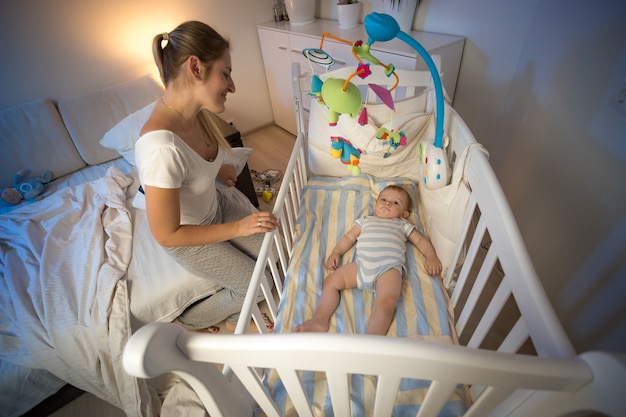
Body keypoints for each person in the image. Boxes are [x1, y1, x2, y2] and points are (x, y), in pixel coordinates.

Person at [135, 21, 279, 333]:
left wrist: (216, 170)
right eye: (225, 73)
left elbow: (195, 163)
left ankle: (233, 304)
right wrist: (237, 228)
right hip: (187, 237)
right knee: (258, 282)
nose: (232, 86)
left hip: (214, 208)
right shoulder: (160, 148)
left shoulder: (196, 115)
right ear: (195, 68)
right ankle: (191, 320)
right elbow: (167, 234)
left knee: (275, 251)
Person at [294, 185, 442, 335]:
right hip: (361, 266)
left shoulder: (403, 224)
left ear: (404, 214)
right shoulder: (365, 220)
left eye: (395, 202)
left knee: (387, 303)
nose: (387, 203)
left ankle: (372, 339)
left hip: (388, 268)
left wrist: (431, 256)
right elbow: (349, 238)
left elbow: (420, 241)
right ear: (376, 204)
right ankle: (319, 320)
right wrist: (336, 252)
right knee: (331, 281)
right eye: (383, 199)